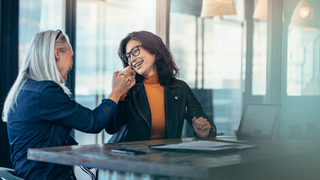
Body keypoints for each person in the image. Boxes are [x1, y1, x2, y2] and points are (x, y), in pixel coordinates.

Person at [2, 30, 135, 179]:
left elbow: (52, 139)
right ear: (57, 53)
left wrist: (87, 157)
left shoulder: (27, 90)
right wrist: (116, 92)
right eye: (71, 57)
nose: (72, 65)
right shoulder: (45, 92)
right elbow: (93, 122)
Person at [106, 31, 217, 143]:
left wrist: (205, 132)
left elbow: (207, 124)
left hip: (167, 157)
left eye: (135, 51)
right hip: (130, 157)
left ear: (153, 49)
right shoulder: (127, 89)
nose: (132, 60)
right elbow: (111, 128)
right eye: (128, 57)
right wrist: (119, 93)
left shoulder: (180, 89)